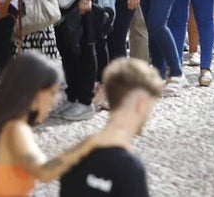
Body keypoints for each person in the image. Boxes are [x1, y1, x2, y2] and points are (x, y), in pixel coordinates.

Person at [0, 52, 109, 197]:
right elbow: (44, 171)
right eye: (51, 93)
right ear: (33, 93)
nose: (54, 100)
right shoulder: (15, 129)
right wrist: (88, 145)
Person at [58, 57, 164, 197]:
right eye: (151, 107)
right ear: (140, 104)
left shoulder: (74, 156)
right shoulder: (130, 169)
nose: (150, 115)